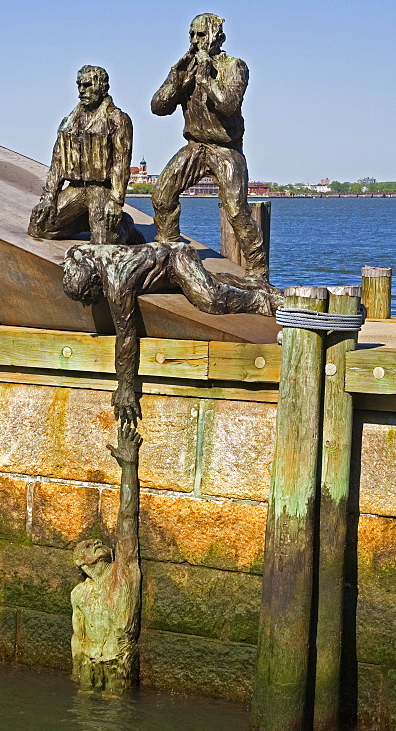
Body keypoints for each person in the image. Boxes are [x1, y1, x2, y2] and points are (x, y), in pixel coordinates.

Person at [63, 241, 283, 425]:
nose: (87, 303)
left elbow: (127, 334)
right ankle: (251, 282)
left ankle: (264, 300)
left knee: (211, 300)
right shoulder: (78, 255)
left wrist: (125, 387)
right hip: (156, 259)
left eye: (88, 295)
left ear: (95, 280)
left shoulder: (116, 281)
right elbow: (71, 254)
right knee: (207, 285)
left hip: (175, 258)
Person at [150, 13, 268, 279]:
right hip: (195, 146)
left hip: (226, 149)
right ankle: (171, 256)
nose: (195, 40)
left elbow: (227, 104)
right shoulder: (186, 69)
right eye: (192, 34)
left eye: (201, 35)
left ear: (220, 38)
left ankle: (257, 269)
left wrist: (204, 77)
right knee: (162, 195)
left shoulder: (235, 66)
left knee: (236, 211)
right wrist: (176, 77)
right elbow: (158, 107)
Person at [29, 65, 143, 245]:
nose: (82, 90)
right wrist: (49, 196)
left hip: (101, 189)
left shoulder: (118, 119)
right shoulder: (69, 121)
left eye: (88, 85)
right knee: (39, 225)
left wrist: (115, 200)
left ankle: (125, 226)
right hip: (75, 188)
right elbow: (58, 161)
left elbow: (121, 164)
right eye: (79, 85)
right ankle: (84, 220)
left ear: (103, 87)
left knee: (104, 240)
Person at [71, 423, 142, 693]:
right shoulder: (79, 594)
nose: (97, 542)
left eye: (97, 542)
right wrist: (76, 667)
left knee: (117, 713)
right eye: (88, 546)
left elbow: (127, 519)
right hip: (89, 661)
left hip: (118, 660)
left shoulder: (122, 571)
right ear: (81, 563)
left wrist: (128, 467)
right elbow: (78, 634)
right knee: (83, 708)